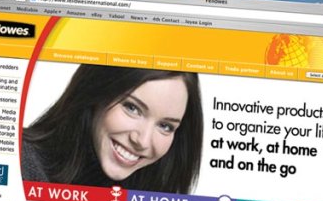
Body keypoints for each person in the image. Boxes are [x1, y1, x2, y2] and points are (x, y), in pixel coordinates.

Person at [22, 65, 203, 193]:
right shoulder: (20, 163)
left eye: (165, 126)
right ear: (97, 91)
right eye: (132, 108)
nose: (143, 141)